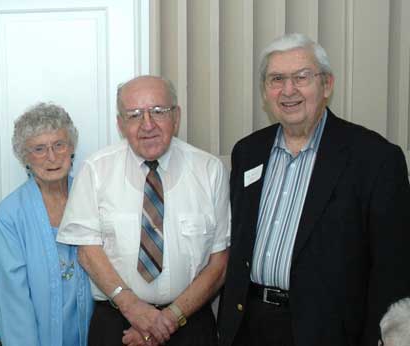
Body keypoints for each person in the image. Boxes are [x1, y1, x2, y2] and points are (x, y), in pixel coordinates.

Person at [216, 33, 410, 346]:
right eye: (276, 79)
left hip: (327, 329)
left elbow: (393, 268)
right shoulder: (248, 152)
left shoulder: (374, 158)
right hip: (248, 325)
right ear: (265, 91)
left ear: (327, 85)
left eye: (302, 77)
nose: (288, 90)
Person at [57, 75, 230, 346]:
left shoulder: (209, 171)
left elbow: (219, 262)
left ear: (177, 116)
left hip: (189, 324)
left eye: (158, 112)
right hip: (118, 324)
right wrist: (133, 309)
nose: (147, 124)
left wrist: (167, 320)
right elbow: (88, 252)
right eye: (134, 115)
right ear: (120, 124)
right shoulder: (96, 170)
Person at [0, 103, 94, 346]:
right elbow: (12, 300)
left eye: (59, 145)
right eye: (39, 149)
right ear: (24, 157)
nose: (51, 157)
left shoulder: (93, 198)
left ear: (71, 149)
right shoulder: (9, 215)